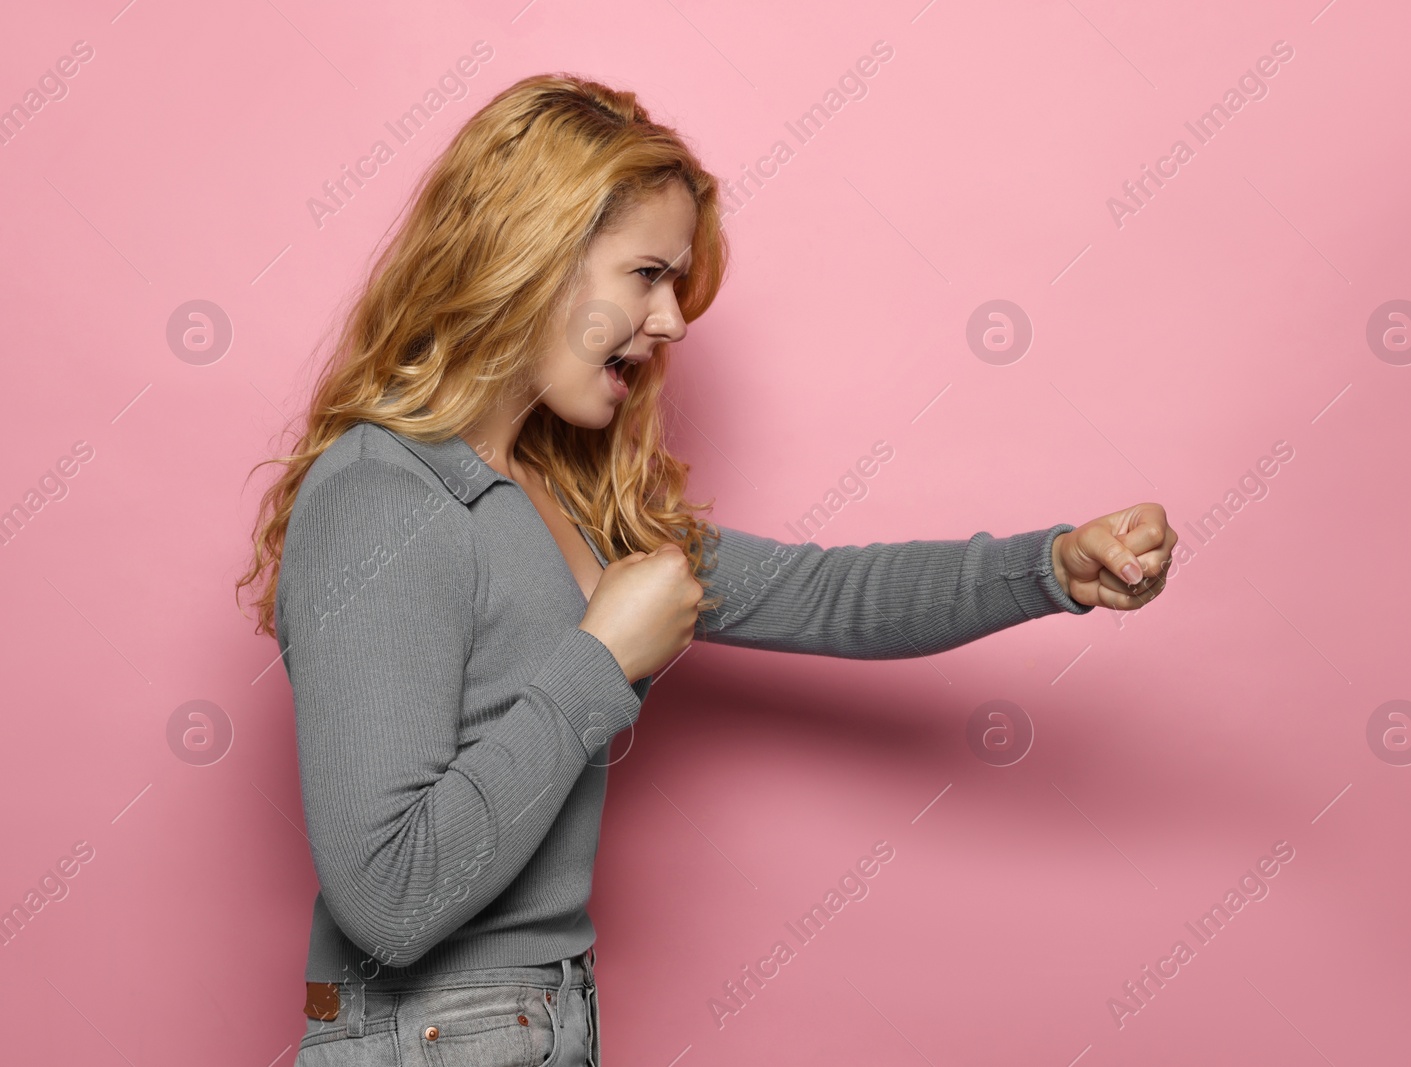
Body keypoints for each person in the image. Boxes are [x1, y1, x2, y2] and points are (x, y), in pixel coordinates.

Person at [236, 72, 1174, 1067]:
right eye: (646, 274)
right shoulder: (385, 494)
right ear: (529, 253)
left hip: (537, 1021)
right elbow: (385, 898)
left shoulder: (567, 496)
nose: (675, 319)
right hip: (427, 1035)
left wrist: (1049, 566)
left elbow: (824, 594)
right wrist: (602, 657)